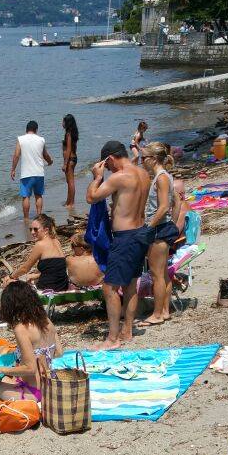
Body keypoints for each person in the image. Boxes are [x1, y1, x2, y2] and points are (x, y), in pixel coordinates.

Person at [87, 140, 149, 348]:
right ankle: (127, 331)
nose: (108, 169)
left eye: (107, 165)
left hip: (126, 237)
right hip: (141, 233)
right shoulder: (143, 173)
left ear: (110, 159)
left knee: (110, 288)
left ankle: (112, 338)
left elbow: (91, 197)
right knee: (131, 285)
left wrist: (97, 177)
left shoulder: (119, 177)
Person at [0, 281, 59, 404]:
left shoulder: (21, 328)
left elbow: (30, 368)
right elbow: (59, 352)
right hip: (50, 385)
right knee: (6, 377)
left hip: (33, 393)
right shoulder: (46, 320)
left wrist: (0, 369)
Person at [140, 141, 179, 326]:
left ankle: (157, 314)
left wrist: (148, 227)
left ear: (153, 159)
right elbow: (175, 203)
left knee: (156, 274)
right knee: (163, 273)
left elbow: (164, 207)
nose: (141, 161)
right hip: (163, 227)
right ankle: (164, 310)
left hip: (158, 229)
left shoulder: (162, 177)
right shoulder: (164, 176)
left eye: (144, 158)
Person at [3, 213, 68, 293]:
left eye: (35, 229)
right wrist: (36, 276)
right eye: (30, 229)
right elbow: (55, 269)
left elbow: (25, 268)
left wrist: (11, 276)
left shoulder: (40, 245)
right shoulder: (56, 241)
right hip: (63, 285)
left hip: (49, 287)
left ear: (46, 230)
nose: (32, 232)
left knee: (9, 283)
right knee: (31, 278)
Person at [10, 120, 53, 218]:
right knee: (38, 195)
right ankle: (39, 216)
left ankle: (26, 218)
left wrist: (13, 169)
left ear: (26, 129)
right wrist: (50, 162)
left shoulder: (20, 139)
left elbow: (16, 155)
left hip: (26, 173)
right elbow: (45, 155)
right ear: (36, 130)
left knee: (26, 197)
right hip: (39, 173)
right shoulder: (41, 139)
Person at [61, 114, 79, 211]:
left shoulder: (69, 133)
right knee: (69, 181)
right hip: (73, 158)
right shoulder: (73, 132)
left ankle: (71, 203)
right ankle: (68, 201)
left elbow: (68, 149)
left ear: (67, 122)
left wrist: (65, 163)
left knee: (70, 182)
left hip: (70, 160)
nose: (62, 123)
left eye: (63, 121)